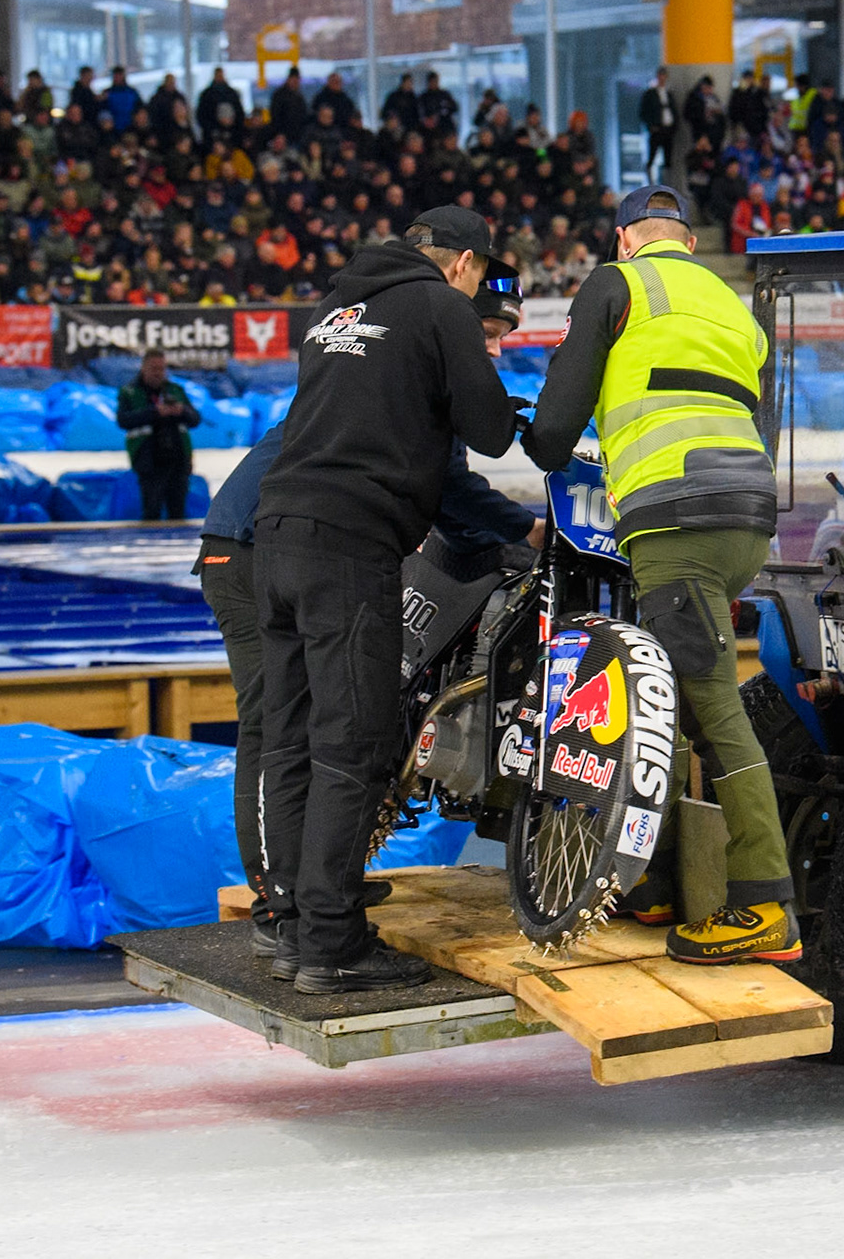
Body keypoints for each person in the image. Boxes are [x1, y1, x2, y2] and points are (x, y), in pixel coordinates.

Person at [201, 279, 544, 961]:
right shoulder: (412, 377)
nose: (496, 351)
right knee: (276, 728)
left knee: (320, 725)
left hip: (266, 538)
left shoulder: (392, 371)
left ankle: (315, 891)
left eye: (504, 337)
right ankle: (279, 900)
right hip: (249, 548)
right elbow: (451, 495)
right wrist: (525, 533)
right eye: (486, 336)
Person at [523, 185, 796, 966]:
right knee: (665, 697)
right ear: (685, 238)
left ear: (623, 241)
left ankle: (764, 904)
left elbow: (554, 427)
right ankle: (658, 884)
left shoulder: (619, 285)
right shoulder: (731, 301)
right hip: (746, 508)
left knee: (711, 709)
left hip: (677, 519)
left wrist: (536, 434)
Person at [254, 206, 518, 994]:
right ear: (465, 263)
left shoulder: (335, 308)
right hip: (347, 545)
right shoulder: (441, 304)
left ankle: (296, 928)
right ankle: (333, 946)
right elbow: (491, 430)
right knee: (352, 745)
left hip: (276, 536)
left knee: (291, 741)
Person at [116, 349, 200, 520]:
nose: (158, 373)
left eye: (161, 369)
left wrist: (181, 411)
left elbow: (195, 419)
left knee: (178, 512)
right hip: (149, 462)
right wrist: (154, 413)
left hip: (178, 460)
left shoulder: (175, 390)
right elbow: (123, 420)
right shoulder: (130, 392)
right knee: (151, 510)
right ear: (143, 368)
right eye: (154, 368)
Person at [639, 68, 675, 183]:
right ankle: (651, 182)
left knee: (668, 158)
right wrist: (651, 126)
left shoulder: (668, 93)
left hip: (668, 130)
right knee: (652, 156)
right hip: (656, 129)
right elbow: (643, 112)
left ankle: (666, 182)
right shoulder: (650, 94)